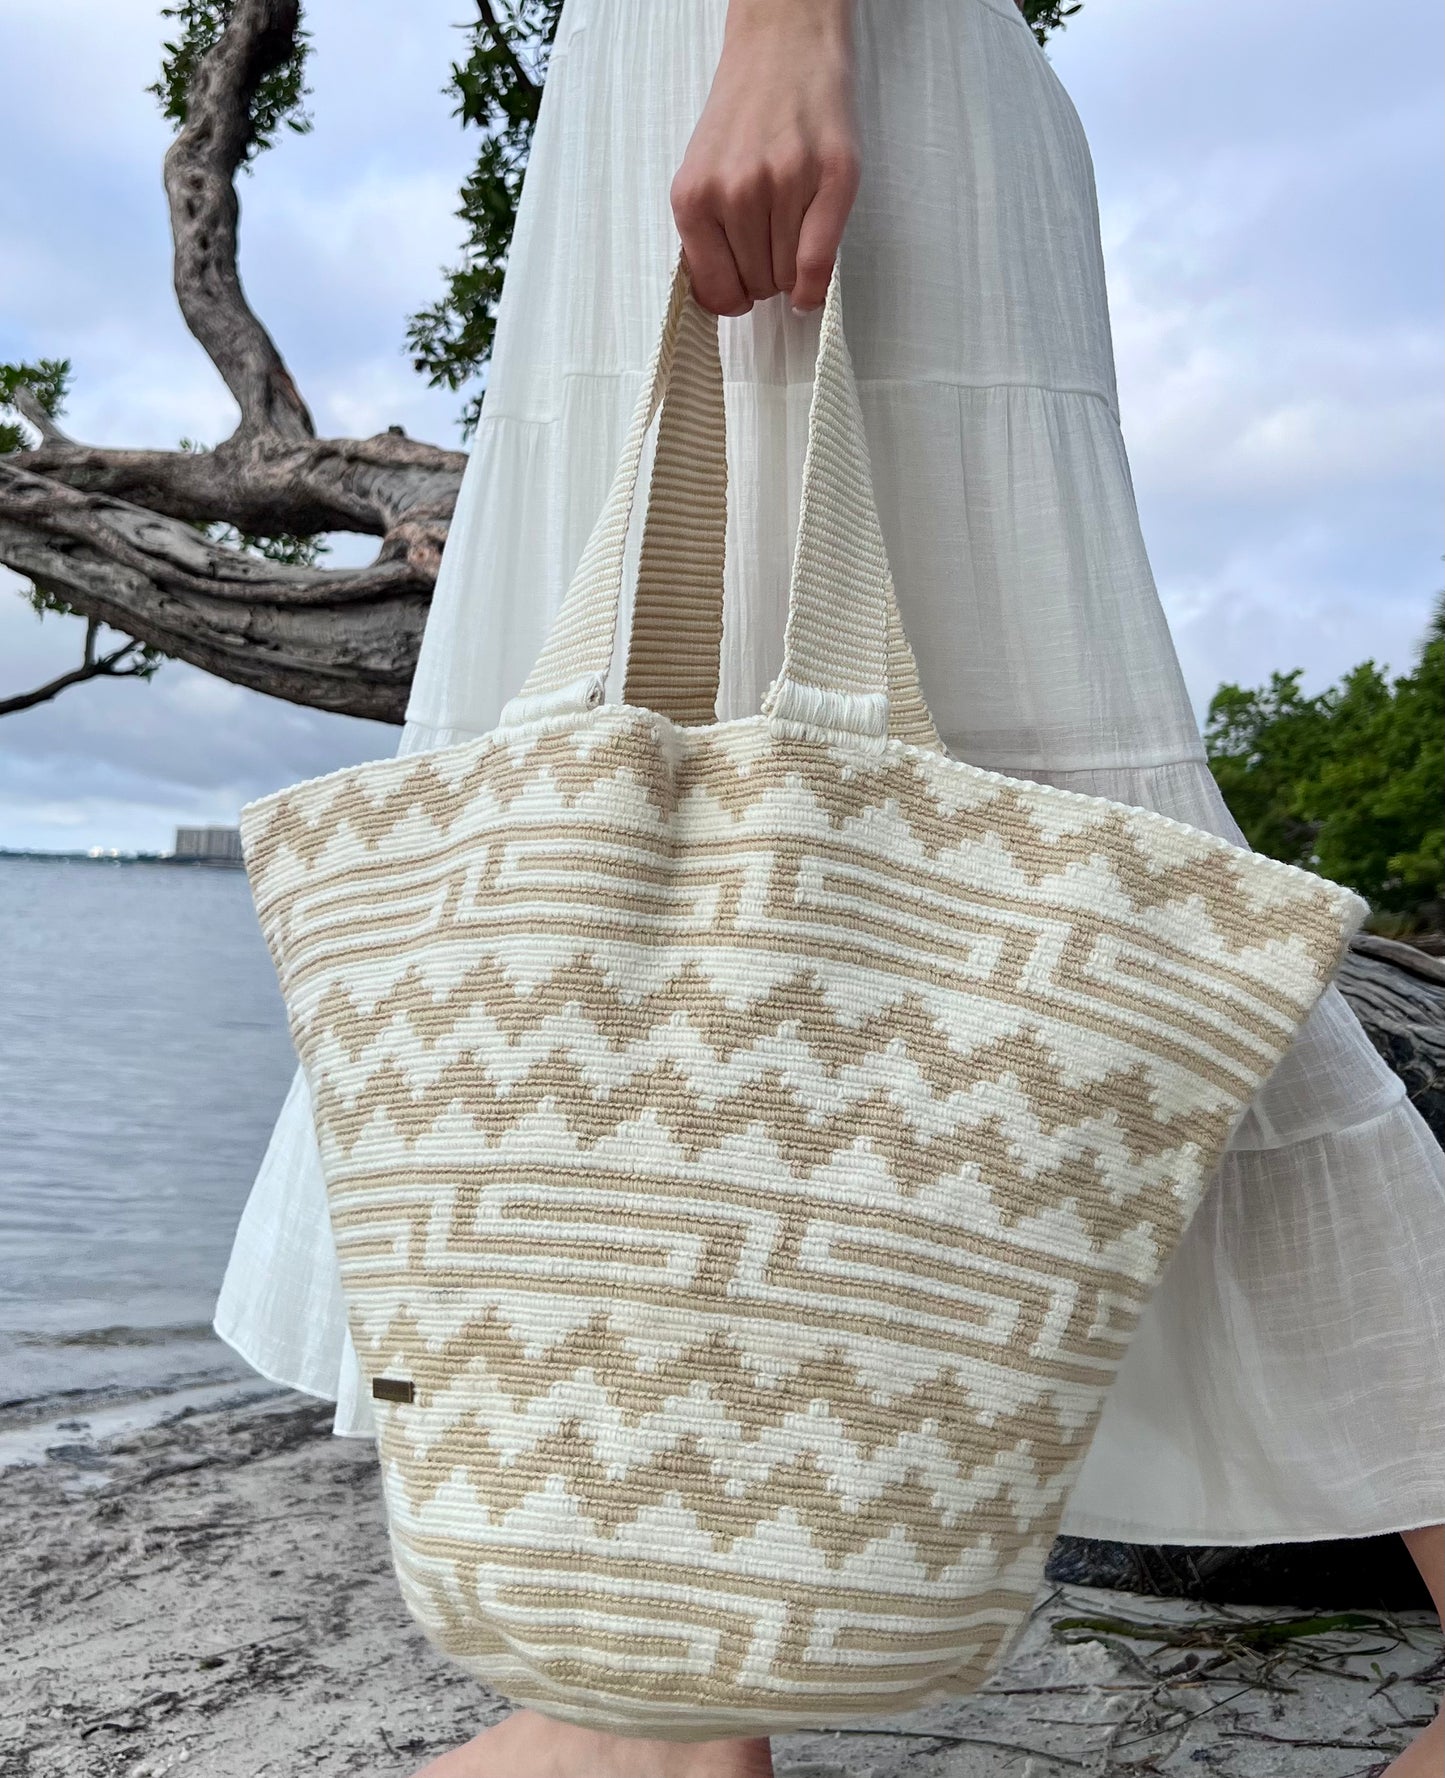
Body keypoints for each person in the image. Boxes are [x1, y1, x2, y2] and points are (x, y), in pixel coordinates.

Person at [214, 3, 1445, 1774]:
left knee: (1061, 879)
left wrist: (783, 30)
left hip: (811, 55)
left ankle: (640, 1717)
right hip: (683, 70)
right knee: (667, 892)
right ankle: (649, 1695)